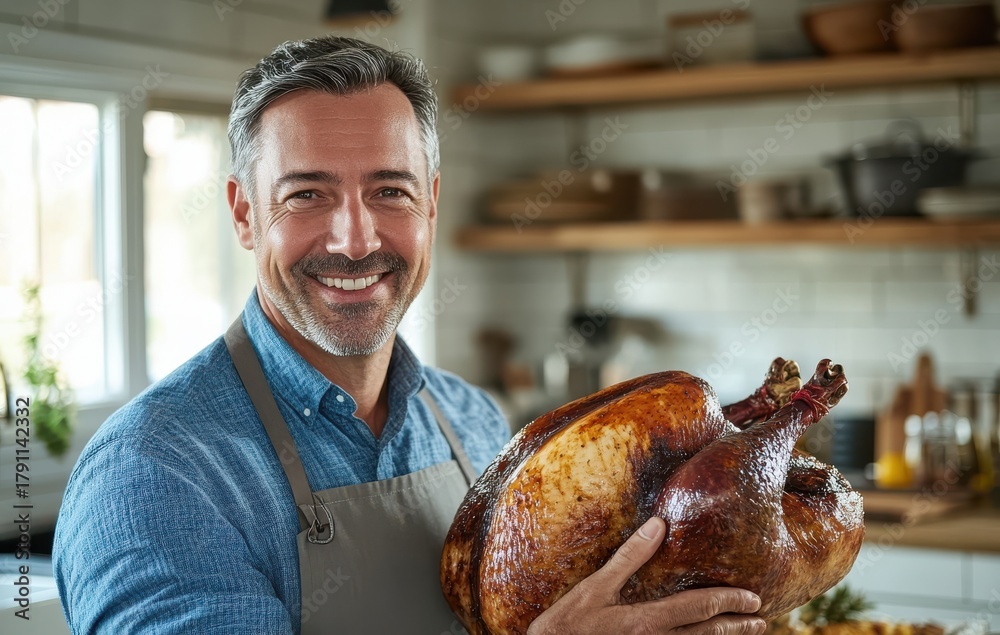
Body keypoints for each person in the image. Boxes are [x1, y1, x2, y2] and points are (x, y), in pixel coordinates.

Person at [53, 36, 767, 635]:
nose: (356, 240)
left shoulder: (473, 422)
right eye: (307, 194)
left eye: (390, 190)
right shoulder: (154, 474)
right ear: (243, 213)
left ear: (431, 203)